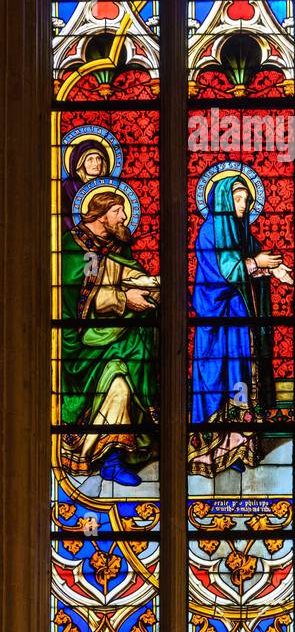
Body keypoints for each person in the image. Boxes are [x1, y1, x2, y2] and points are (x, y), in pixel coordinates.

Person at [189, 174, 292, 477]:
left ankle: (239, 445)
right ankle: (213, 450)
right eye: (237, 198)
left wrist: (278, 271)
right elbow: (225, 272)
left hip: (240, 320)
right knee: (218, 377)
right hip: (217, 320)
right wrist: (259, 264)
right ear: (222, 199)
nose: (244, 204)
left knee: (240, 378)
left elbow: (256, 264)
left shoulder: (241, 230)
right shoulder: (210, 231)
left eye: (246, 198)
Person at [60, 190, 159, 486]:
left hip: (118, 334)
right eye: (118, 212)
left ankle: (119, 456)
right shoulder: (78, 247)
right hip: (85, 342)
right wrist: (124, 300)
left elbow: (125, 274)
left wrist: (147, 286)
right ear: (101, 213)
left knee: (131, 363)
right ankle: (109, 459)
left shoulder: (114, 245)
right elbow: (83, 297)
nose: (124, 218)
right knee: (118, 383)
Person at [62, 140, 110, 229]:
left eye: (98, 158)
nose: (96, 164)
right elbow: (65, 219)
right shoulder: (68, 187)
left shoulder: (109, 186)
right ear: (80, 163)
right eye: (90, 159)